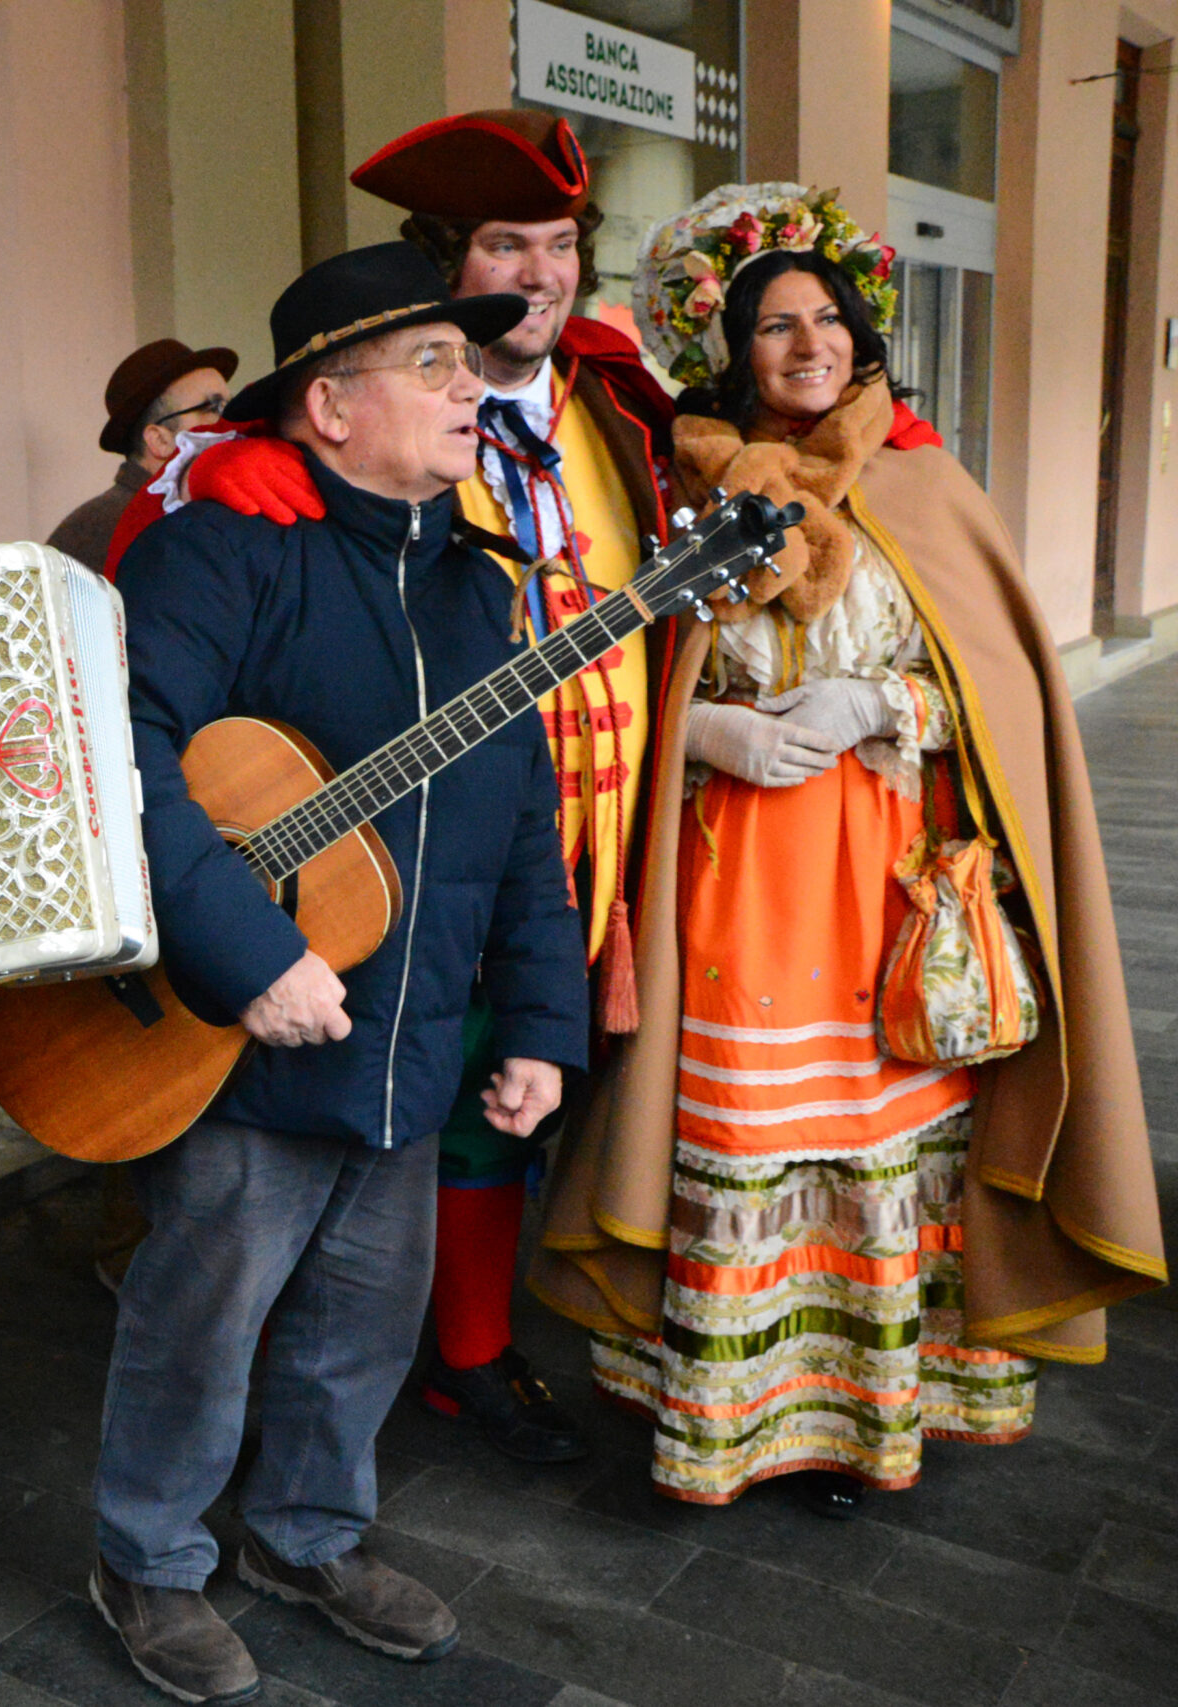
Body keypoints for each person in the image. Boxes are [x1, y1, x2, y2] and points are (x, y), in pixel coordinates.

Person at [532, 184, 1165, 1516]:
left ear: (865, 337)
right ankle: (738, 1422)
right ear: (732, 349)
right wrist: (699, 728)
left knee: (879, 1147)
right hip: (727, 878)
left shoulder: (927, 480)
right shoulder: (680, 479)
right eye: (773, 326)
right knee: (746, 1134)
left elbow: (1003, 704)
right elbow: (629, 673)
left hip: (880, 886)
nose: (805, 344)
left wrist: (880, 701)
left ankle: (863, 1423)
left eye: (827, 319)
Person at [90, 242, 590, 1700]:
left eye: (473, 361)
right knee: (205, 1319)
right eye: (432, 363)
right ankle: (149, 1554)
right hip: (244, 1034)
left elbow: (523, 825)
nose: (471, 387)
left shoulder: (472, 587)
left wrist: (542, 1020)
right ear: (328, 403)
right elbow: (127, 763)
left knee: (361, 1323)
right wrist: (247, 956)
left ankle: (306, 1533)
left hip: (413, 1029)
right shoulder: (222, 554)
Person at [181, 108, 677, 1465]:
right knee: (245, 1253)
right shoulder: (280, 487)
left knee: (501, 1103)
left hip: (587, 829)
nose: (540, 275)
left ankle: (441, 1374)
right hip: (329, 895)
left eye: (562, 244)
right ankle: (172, 1529)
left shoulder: (623, 406)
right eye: (505, 245)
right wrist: (224, 464)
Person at [46, 337, 235, 573]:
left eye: (230, 406)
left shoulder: (192, 513)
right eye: (213, 408)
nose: (233, 421)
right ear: (160, 440)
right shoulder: (109, 529)